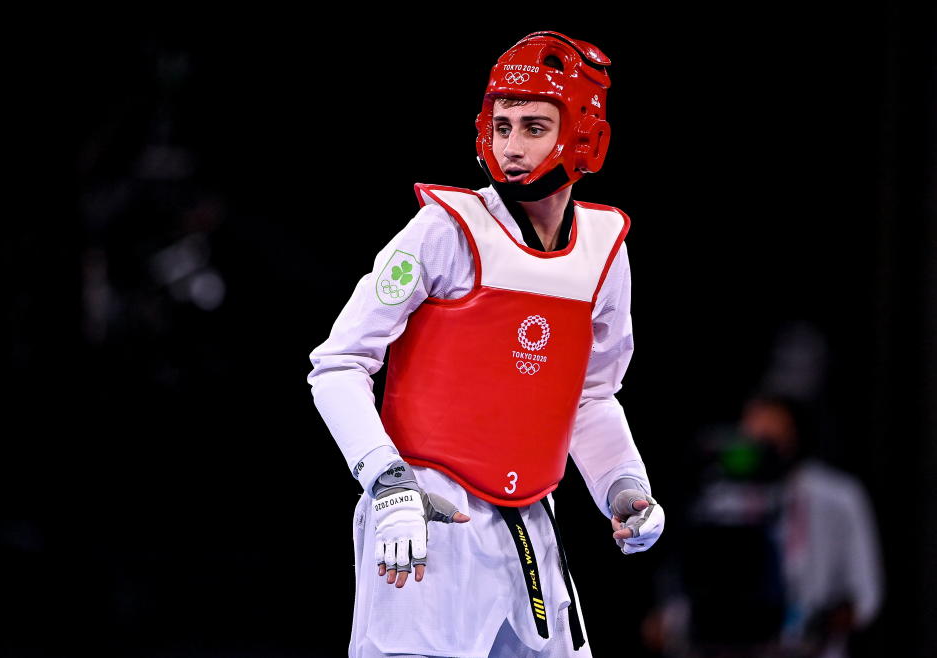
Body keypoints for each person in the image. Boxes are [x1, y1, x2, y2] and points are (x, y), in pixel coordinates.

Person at [308, 31, 664, 657]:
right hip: (425, 510)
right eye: (502, 126)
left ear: (583, 134)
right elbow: (337, 364)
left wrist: (624, 487)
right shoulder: (446, 228)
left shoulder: (605, 250)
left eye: (533, 127)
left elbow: (591, 396)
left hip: (531, 520)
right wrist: (385, 481)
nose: (512, 147)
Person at [645, 395, 882, 658]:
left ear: (795, 436)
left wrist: (809, 622)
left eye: (772, 437)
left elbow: (862, 597)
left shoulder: (837, 498)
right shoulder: (719, 500)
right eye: (753, 434)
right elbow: (688, 589)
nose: (761, 443)